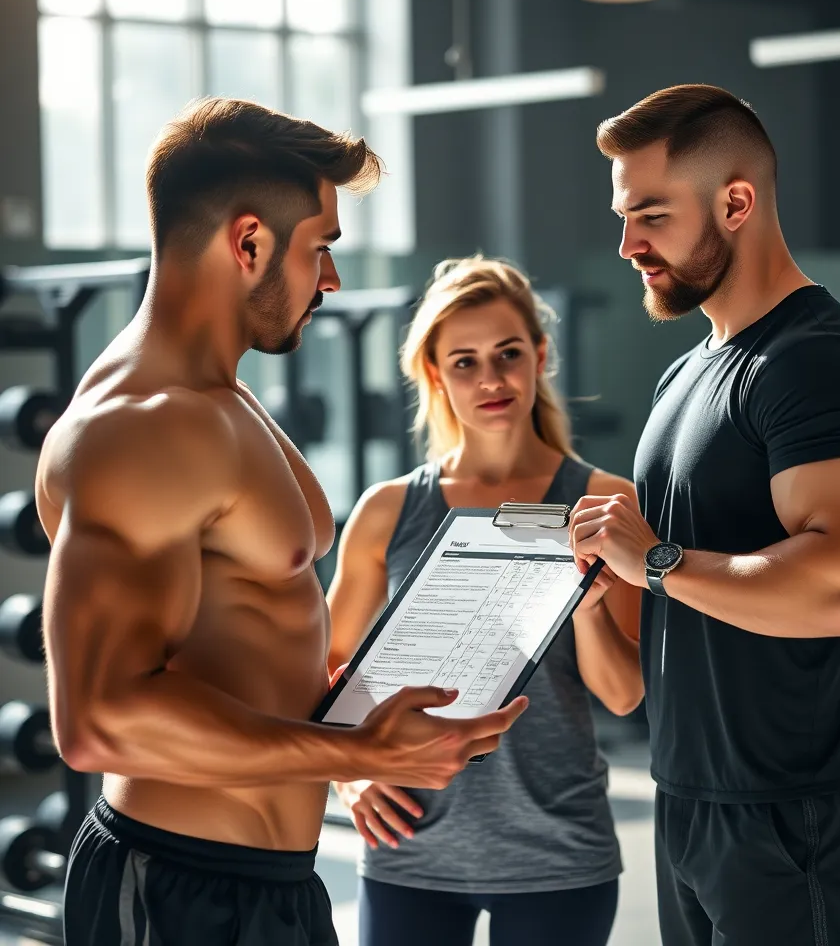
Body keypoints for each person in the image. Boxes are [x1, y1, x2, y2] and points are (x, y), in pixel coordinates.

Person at [35, 98, 527, 946]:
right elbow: (98, 720)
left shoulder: (226, 397)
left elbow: (241, 646)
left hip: (274, 885)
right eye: (322, 249)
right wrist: (362, 757)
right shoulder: (142, 425)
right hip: (178, 887)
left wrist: (377, 714)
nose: (330, 281)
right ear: (250, 241)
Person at [567, 84, 840, 946]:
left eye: (650, 215)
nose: (627, 244)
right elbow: (682, 578)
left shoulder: (819, 364)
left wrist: (651, 558)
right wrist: (604, 565)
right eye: (622, 216)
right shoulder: (687, 373)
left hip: (790, 813)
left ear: (735, 202)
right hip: (689, 799)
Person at [326, 256, 645, 946]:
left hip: (557, 846)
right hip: (409, 839)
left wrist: (586, 606)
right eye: (465, 362)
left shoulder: (604, 501)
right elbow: (321, 669)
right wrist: (348, 777)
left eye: (507, 354)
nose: (492, 379)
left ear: (540, 355)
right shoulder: (387, 511)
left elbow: (623, 695)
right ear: (436, 375)